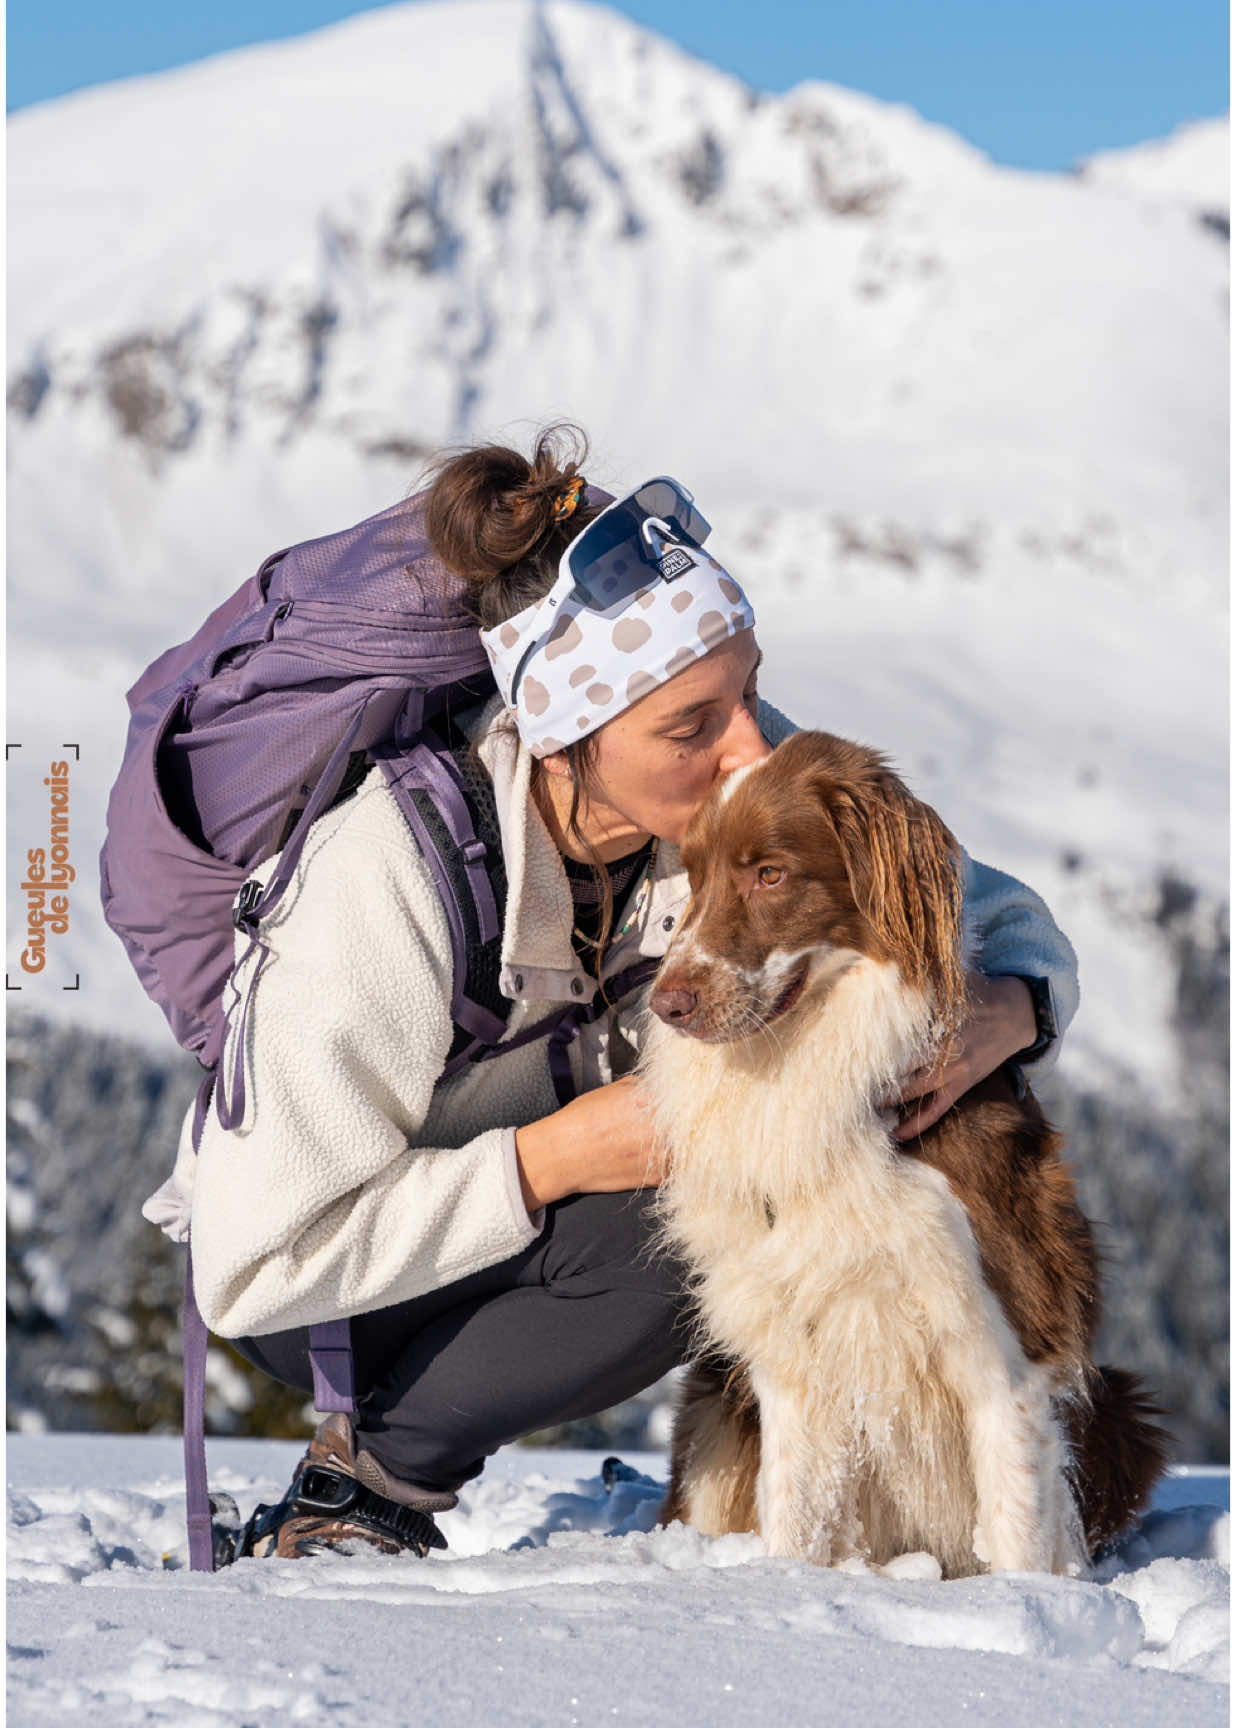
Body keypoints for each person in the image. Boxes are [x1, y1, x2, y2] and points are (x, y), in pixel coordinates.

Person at [143, 427, 1077, 1560]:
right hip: (322, 1281)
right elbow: (254, 1266)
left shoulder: (724, 782)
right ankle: (376, 1483)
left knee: (711, 1198)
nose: (748, 752)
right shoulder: (384, 875)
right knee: (672, 1218)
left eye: (750, 695)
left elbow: (984, 903)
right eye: (693, 726)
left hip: (534, 1218)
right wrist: (553, 1160)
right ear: (561, 735)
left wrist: (1010, 1007)